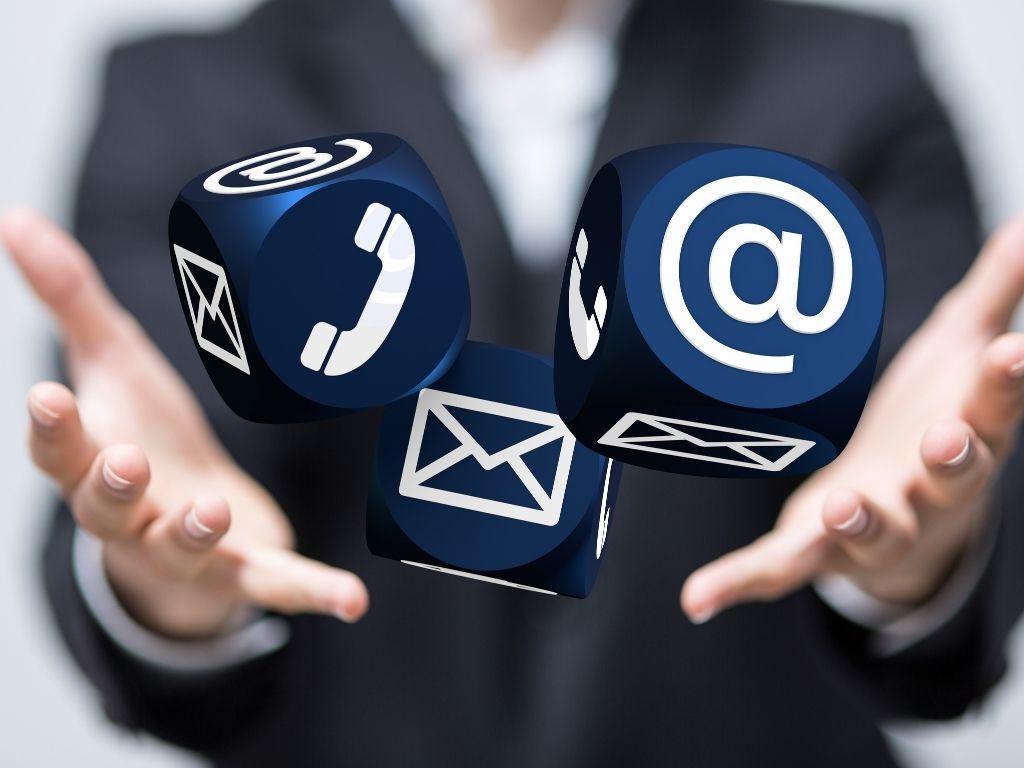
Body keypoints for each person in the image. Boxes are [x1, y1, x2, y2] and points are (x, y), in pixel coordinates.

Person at [3, 0, 1023, 765]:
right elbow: (161, 490)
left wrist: (916, 564)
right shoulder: (179, 90)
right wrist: (173, 596)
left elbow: (927, 467)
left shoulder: (857, 74)